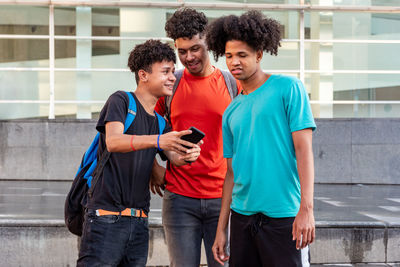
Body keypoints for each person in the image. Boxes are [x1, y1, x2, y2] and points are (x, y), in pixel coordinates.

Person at [77, 39, 202, 267]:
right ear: (143, 75)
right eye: (165, 72)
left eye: (173, 71)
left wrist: (187, 156)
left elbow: (173, 159)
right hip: (106, 219)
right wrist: (158, 140)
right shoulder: (121, 101)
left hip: (139, 224)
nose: (173, 77)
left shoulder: (160, 122)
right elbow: (114, 141)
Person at [206, 11, 316, 267]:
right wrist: (222, 229)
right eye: (229, 56)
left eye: (242, 55)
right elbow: (231, 174)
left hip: (284, 217)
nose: (234, 62)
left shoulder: (289, 88)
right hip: (242, 218)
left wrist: (306, 210)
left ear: (258, 55)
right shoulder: (231, 111)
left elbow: (304, 151)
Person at [151, 8, 240, 267]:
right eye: (182, 51)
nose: (188, 57)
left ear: (208, 43)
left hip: (223, 198)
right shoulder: (170, 84)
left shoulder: (232, 84)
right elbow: (150, 128)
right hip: (179, 199)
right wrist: (155, 165)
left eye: (195, 48)